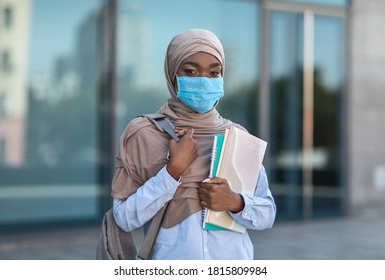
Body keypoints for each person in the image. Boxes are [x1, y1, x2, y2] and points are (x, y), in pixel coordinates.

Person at [111, 29, 276, 260]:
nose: (203, 80)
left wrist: (235, 202)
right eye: (190, 71)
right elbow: (124, 218)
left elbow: (267, 213)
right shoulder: (144, 133)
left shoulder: (237, 136)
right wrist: (171, 173)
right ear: (172, 74)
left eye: (214, 72)